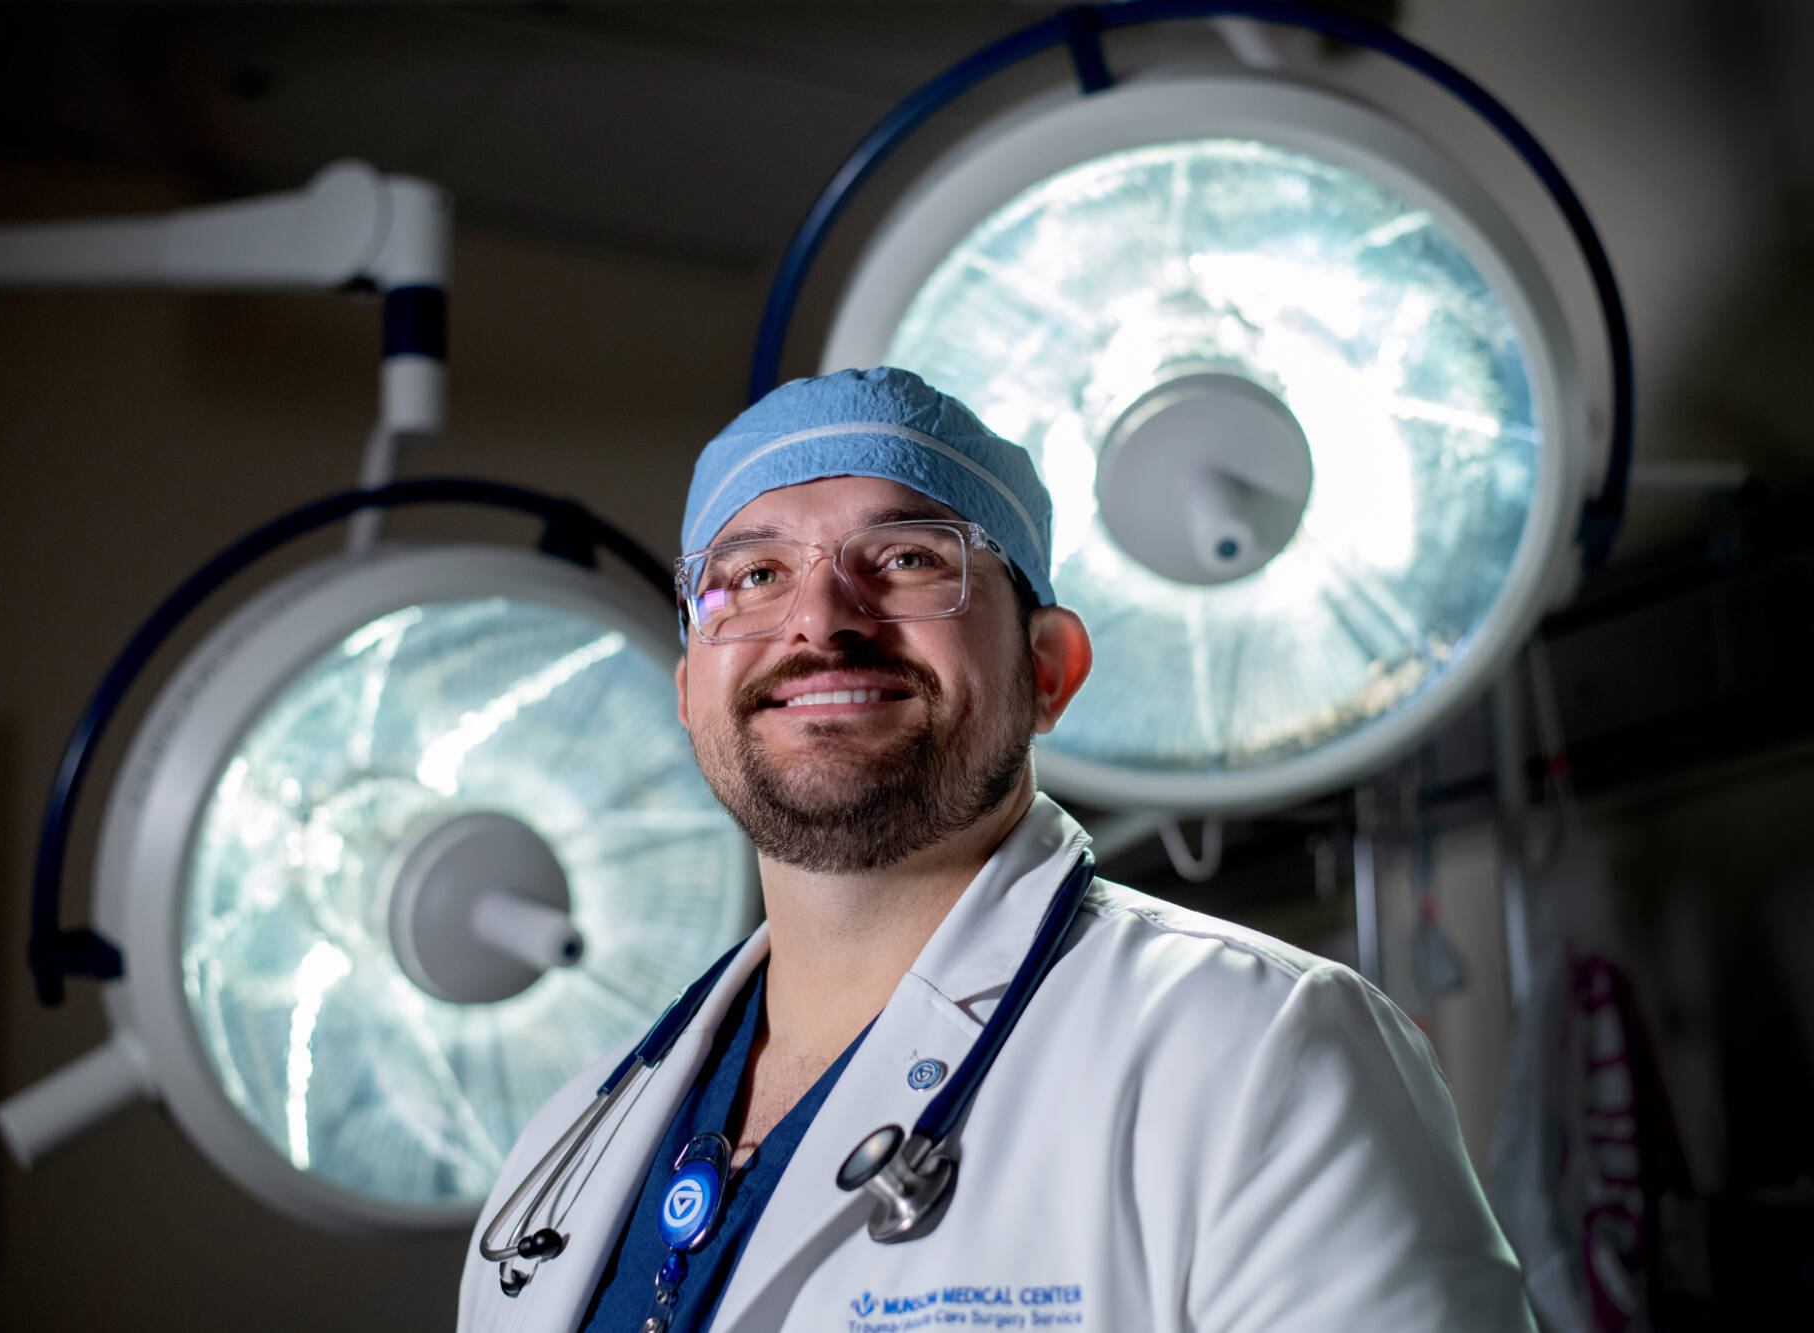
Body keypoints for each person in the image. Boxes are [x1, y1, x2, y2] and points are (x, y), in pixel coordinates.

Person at [457, 366, 1534, 1332]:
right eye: (752, 575)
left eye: (909, 558)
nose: (821, 620)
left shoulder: (1255, 1046)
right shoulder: (567, 1153)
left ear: (1050, 670)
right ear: (690, 693)